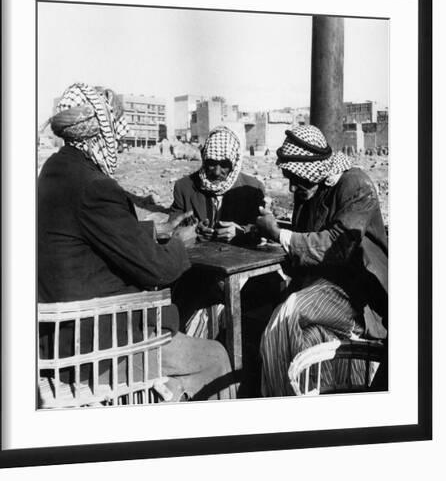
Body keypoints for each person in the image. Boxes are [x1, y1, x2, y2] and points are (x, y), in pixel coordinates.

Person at [38, 82, 235, 403]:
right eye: (116, 132)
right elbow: (157, 269)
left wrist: (155, 231)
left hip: (59, 338)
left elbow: (91, 238)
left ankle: (171, 398)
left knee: (181, 372)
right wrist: (180, 243)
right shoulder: (95, 186)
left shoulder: (55, 170)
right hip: (102, 344)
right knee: (214, 356)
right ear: (101, 133)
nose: (119, 141)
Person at [256, 125, 388, 397]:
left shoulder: (356, 184)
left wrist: (279, 234)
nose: (293, 186)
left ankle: (276, 406)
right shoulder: (308, 191)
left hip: (359, 296)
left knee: (286, 316)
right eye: (289, 178)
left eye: (298, 179)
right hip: (325, 289)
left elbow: (335, 245)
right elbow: (303, 244)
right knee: (308, 339)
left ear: (315, 170)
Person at [168, 126, 265, 336]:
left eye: (224, 165)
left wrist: (241, 232)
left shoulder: (252, 188)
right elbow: (173, 228)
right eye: (211, 164)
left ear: (235, 161)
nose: (217, 172)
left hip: (240, 275)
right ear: (203, 159)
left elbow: (262, 229)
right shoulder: (184, 187)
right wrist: (193, 231)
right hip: (197, 276)